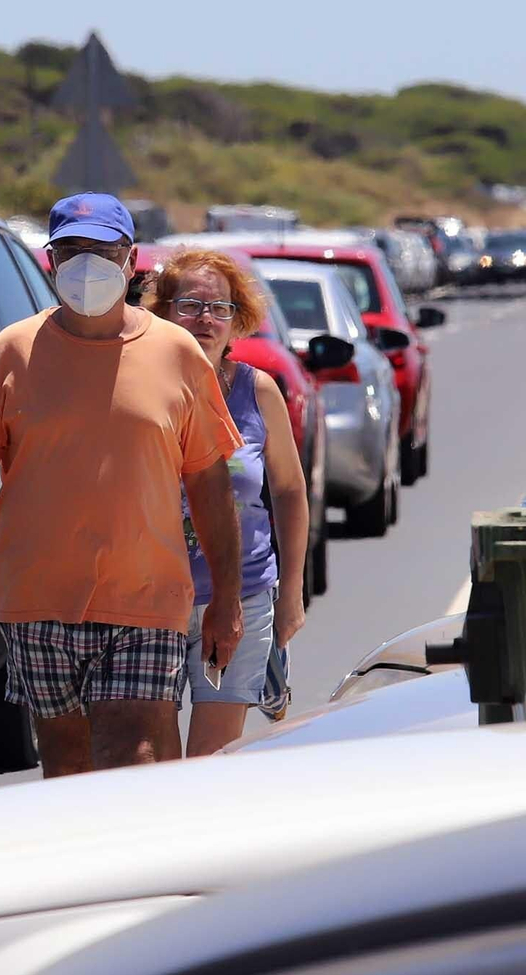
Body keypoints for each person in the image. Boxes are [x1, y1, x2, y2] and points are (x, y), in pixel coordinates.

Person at [0, 194, 246, 777]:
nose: (86, 263)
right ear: (50, 258)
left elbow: (210, 484)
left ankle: (138, 867)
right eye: (72, 249)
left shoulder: (177, 354)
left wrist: (225, 596)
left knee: (133, 748)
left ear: (131, 259)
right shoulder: (10, 351)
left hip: (146, 594)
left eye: (102, 250)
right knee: (67, 762)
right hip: (37, 595)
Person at [145, 249, 310, 756]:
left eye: (220, 309)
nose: (205, 320)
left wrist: (291, 596)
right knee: (151, 762)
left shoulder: (258, 392)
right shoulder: (141, 389)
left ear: (239, 321)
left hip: (243, 597)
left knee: (211, 764)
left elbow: (288, 491)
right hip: (149, 602)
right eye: (190, 305)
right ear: (163, 312)